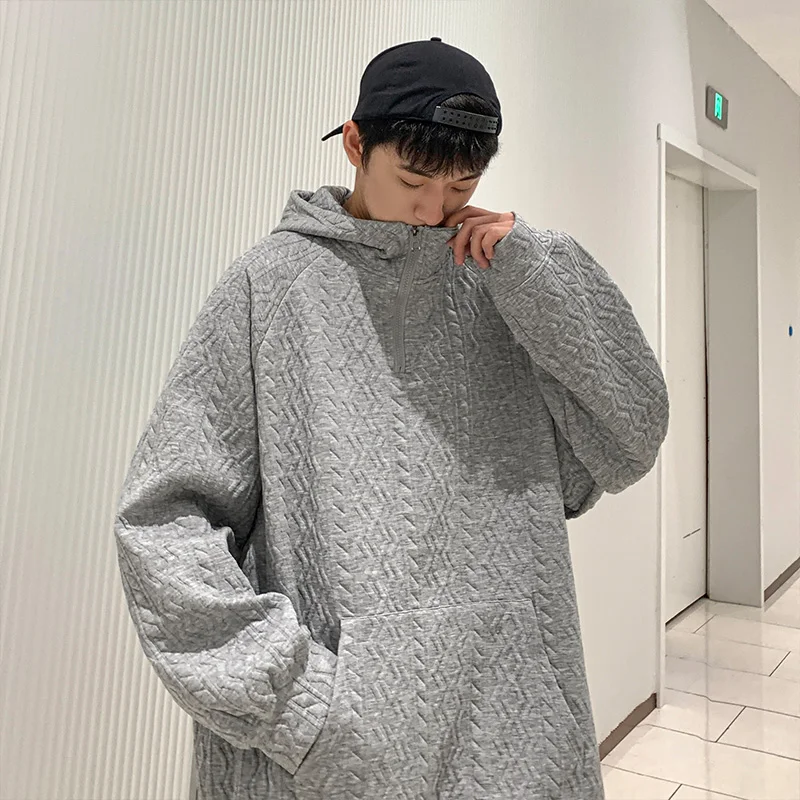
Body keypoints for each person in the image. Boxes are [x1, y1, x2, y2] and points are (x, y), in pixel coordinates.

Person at [114, 37, 669, 800]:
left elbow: (629, 439)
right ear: (354, 144)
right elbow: (163, 522)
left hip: (515, 730)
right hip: (337, 753)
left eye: (461, 184)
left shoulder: (507, 283)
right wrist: (301, 706)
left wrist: (543, 272)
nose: (434, 209)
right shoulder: (271, 289)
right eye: (412, 179)